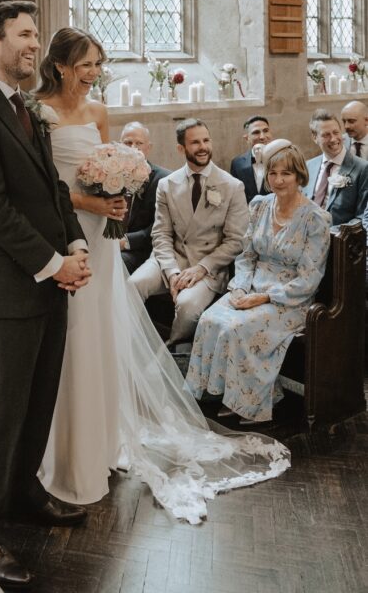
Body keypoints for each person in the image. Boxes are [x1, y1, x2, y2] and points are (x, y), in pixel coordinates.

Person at [36, 29, 290, 524]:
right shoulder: (38, 111)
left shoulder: (98, 112)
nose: (93, 73)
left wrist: (115, 191)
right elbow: (41, 186)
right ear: (62, 64)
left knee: (102, 333)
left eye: (99, 64)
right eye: (86, 64)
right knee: (72, 337)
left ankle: (104, 440)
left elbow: (101, 168)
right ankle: (66, 444)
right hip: (65, 230)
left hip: (101, 236)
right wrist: (92, 201)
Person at [0, 1, 91, 589]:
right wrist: (53, 263)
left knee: (39, 402)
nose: (34, 44)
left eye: (35, 35)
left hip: (52, 281)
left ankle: (26, 493)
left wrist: (76, 243)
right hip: (10, 291)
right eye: (25, 35)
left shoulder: (24, 104)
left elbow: (53, 188)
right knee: (2, 411)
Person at [186, 140, 331, 423]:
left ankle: (250, 402)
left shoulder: (316, 219)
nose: (278, 180)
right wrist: (240, 286)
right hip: (251, 285)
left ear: (299, 175)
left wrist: (264, 297)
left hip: (290, 299)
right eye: (273, 173)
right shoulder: (260, 205)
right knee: (210, 319)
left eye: (285, 174)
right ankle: (219, 390)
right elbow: (246, 255)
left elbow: (310, 278)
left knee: (237, 328)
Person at [130, 119, 249, 345]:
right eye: (195, 142)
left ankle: (169, 351)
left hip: (207, 266)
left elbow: (236, 241)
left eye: (206, 140)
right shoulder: (167, 184)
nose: (202, 147)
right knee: (132, 286)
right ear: (181, 148)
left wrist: (202, 268)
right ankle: (137, 346)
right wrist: (172, 272)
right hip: (169, 259)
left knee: (187, 305)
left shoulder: (232, 186)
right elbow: (161, 234)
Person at [118, 121, 170, 273]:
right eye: (128, 142)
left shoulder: (163, 180)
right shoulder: (108, 175)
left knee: (117, 264)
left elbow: (162, 226)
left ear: (149, 147)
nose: (133, 147)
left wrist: (125, 242)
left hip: (142, 250)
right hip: (110, 244)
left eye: (139, 143)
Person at [303, 110, 368, 224]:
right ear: (314, 137)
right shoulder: (308, 166)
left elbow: (362, 217)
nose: (333, 139)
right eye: (326, 135)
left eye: (336, 132)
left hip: (338, 237)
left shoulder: (363, 168)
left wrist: (332, 234)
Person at [230, 115, 274, 202]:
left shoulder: (283, 159)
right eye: (256, 132)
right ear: (247, 138)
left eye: (266, 131)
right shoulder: (237, 163)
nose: (262, 137)